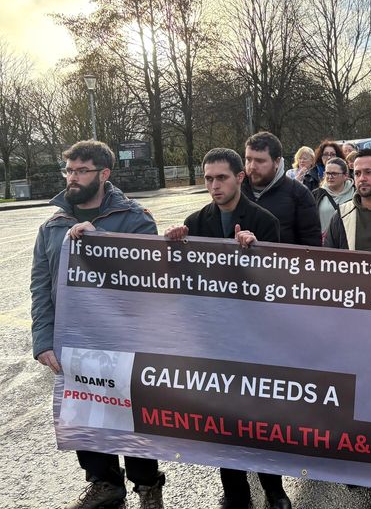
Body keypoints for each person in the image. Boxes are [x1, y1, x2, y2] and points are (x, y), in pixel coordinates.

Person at [30, 140, 166, 509]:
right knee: (85, 412)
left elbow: (150, 277)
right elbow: (41, 286)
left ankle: (147, 484)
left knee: (129, 413)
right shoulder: (53, 225)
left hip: (122, 336)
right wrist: (43, 341)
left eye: (81, 170)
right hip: (72, 340)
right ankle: (104, 482)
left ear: (104, 174)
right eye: (69, 170)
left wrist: (98, 243)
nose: (72, 178)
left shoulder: (135, 218)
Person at [164, 148, 289, 509]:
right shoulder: (195, 221)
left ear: (240, 178)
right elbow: (182, 286)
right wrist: (175, 249)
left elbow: (277, 283)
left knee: (261, 417)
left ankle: (274, 489)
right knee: (222, 420)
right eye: (208, 178)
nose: (214, 186)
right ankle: (235, 492)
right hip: (214, 339)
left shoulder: (264, 221)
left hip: (255, 339)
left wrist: (256, 251)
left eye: (221, 178)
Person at [243, 132, 321, 246]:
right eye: (248, 159)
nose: (252, 166)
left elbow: (311, 248)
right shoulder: (235, 191)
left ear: (277, 162)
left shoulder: (299, 194)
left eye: (260, 161)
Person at [313, 156, 355, 237]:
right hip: (326, 244)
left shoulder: (355, 193)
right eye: (328, 173)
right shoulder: (316, 194)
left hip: (350, 241)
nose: (330, 177)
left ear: (345, 175)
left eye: (334, 173)